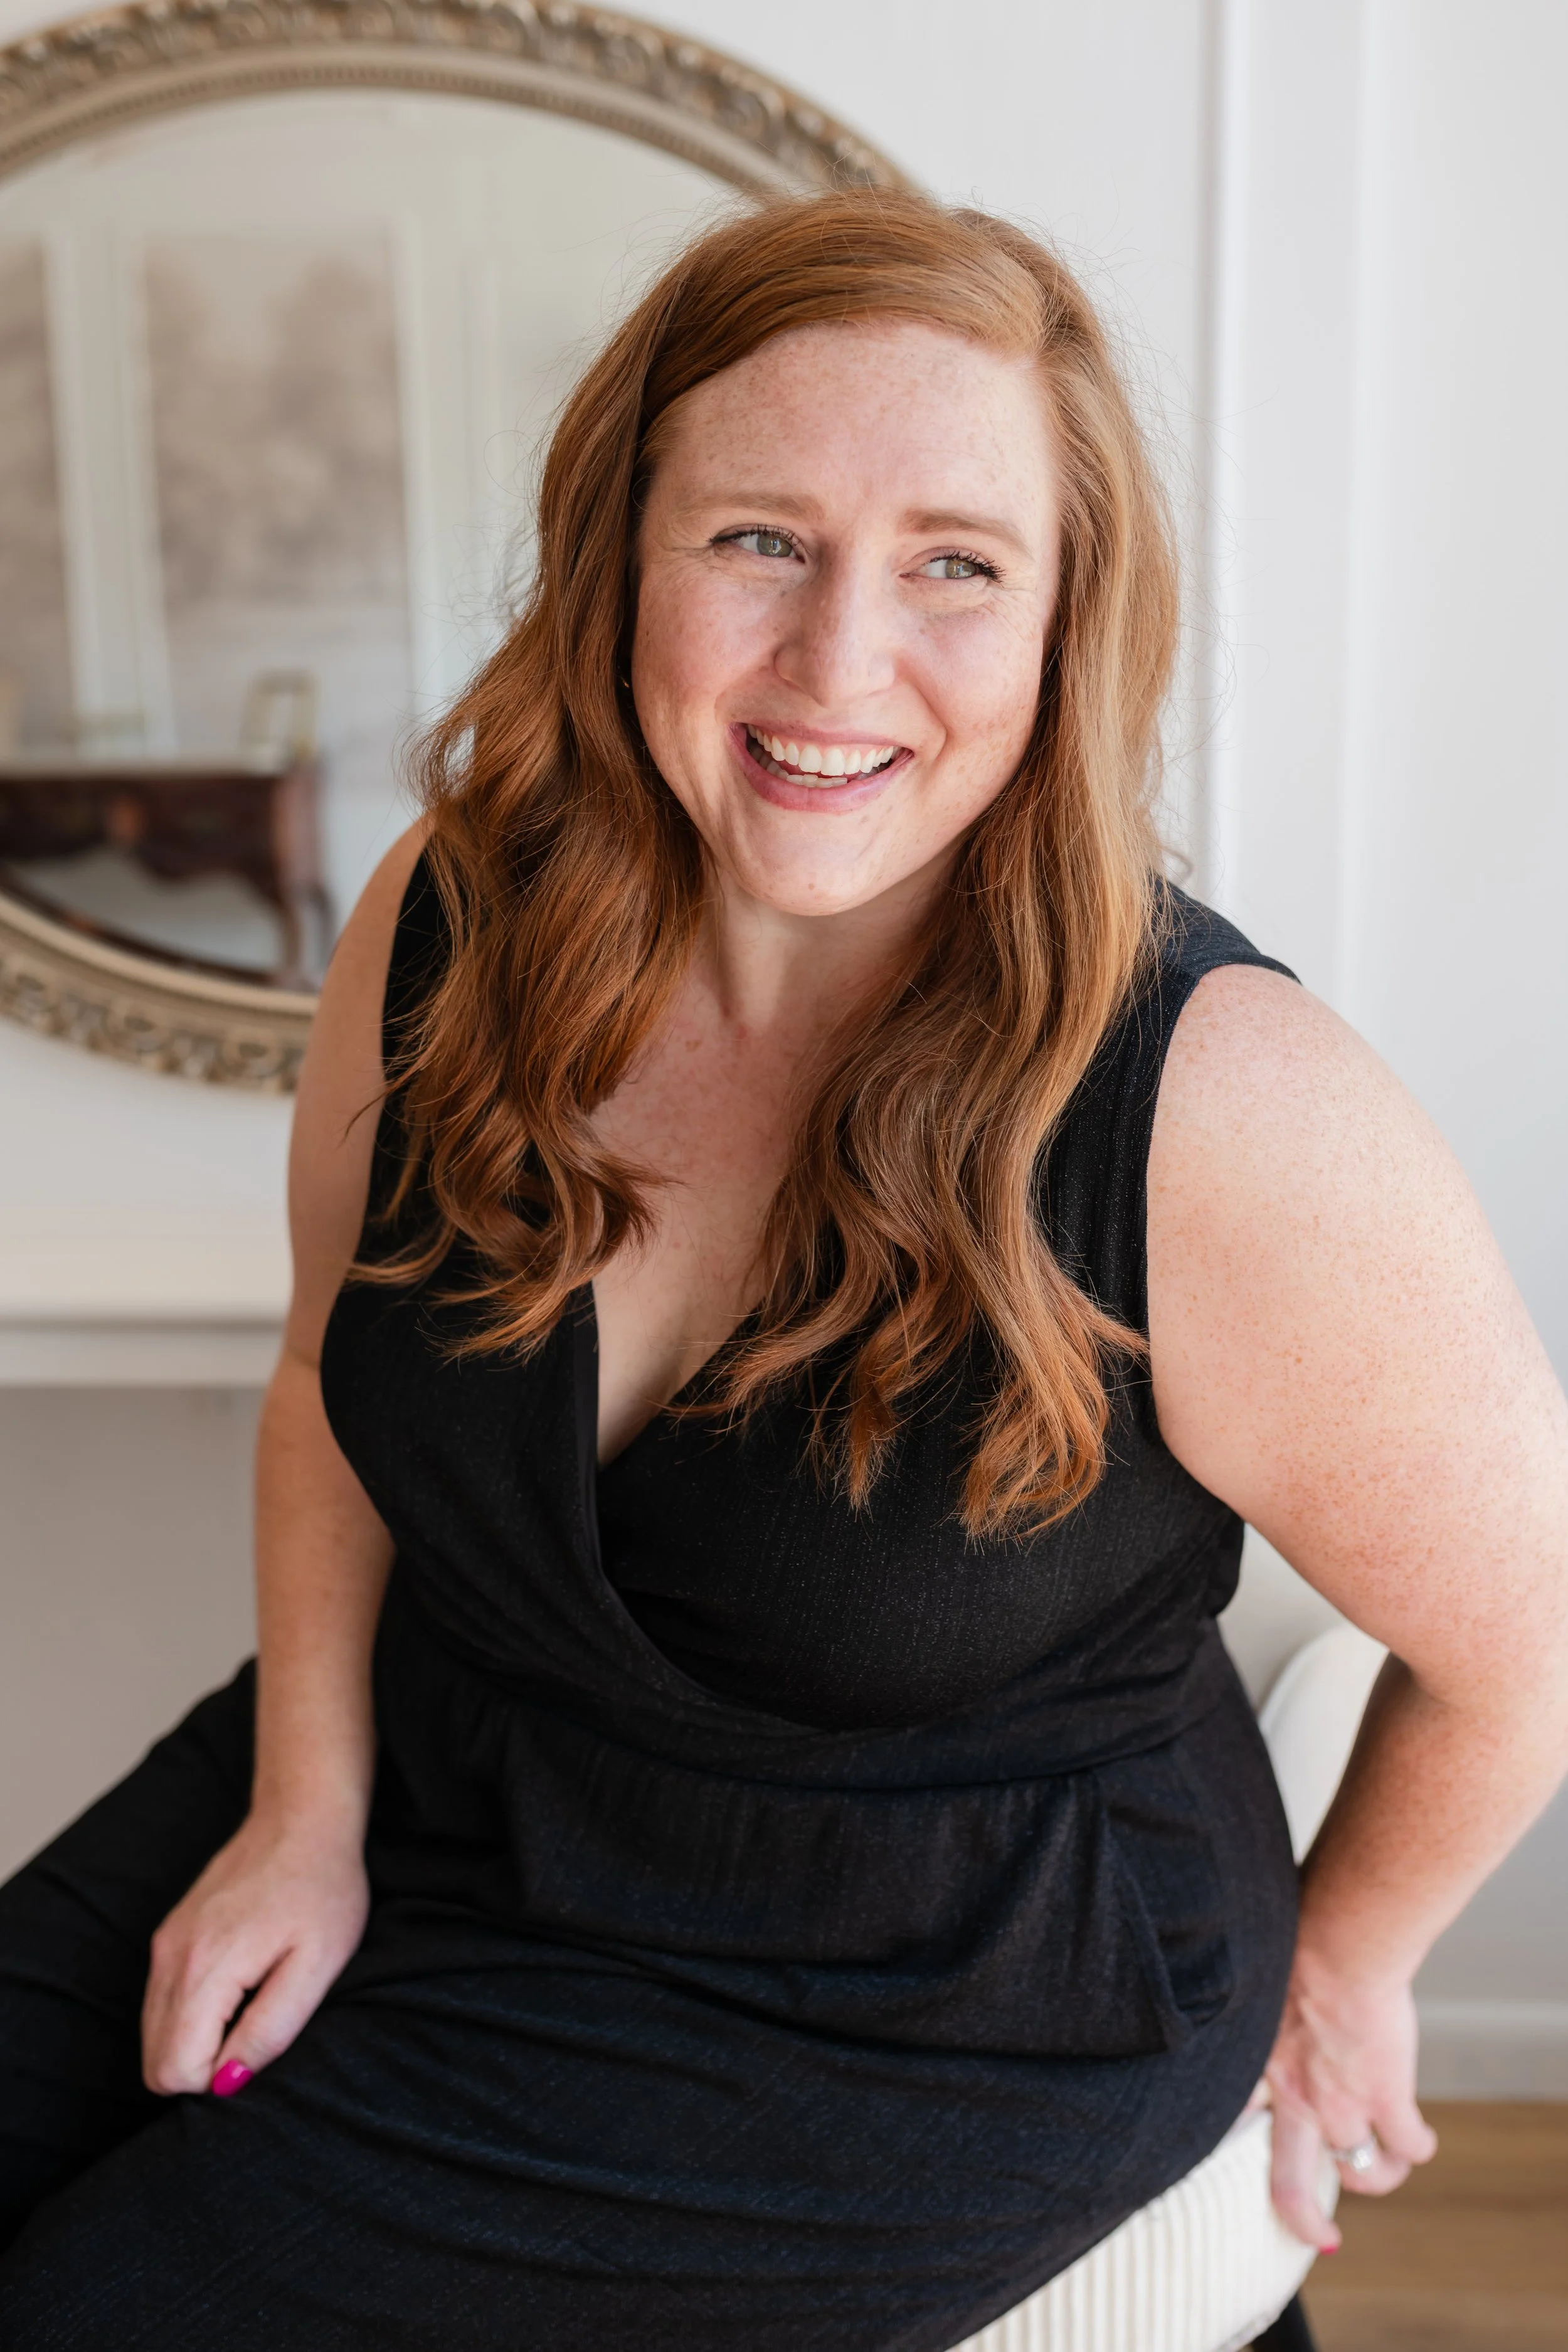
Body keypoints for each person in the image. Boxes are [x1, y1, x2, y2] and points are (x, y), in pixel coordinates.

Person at [1, 189, 1564, 2352]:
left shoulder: (1220, 1111)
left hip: (920, 1982)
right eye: (757, 540)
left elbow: (1527, 1633)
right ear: (618, 553)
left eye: (954, 563)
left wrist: (1353, 1957)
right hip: (459, 1761)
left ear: (1061, 623)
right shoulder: (447, 926)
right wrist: (304, 1806)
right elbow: (321, 1386)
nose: (840, 664)